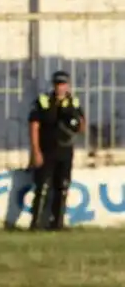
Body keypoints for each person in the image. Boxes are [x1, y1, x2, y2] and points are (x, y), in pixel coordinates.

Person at [28, 70, 86, 231]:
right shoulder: (44, 101)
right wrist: (35, 150)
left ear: (68, 85)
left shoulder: (73, 102)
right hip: (46, 150)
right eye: (57, 84)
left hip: (65, 151)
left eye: (63, 84)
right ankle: (36, 223)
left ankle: (57, 223)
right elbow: (34, 126)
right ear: (53, 85)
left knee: (63, 186)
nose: (60, 87)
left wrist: (73, 124)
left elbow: (82, 125)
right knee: (43, 186)